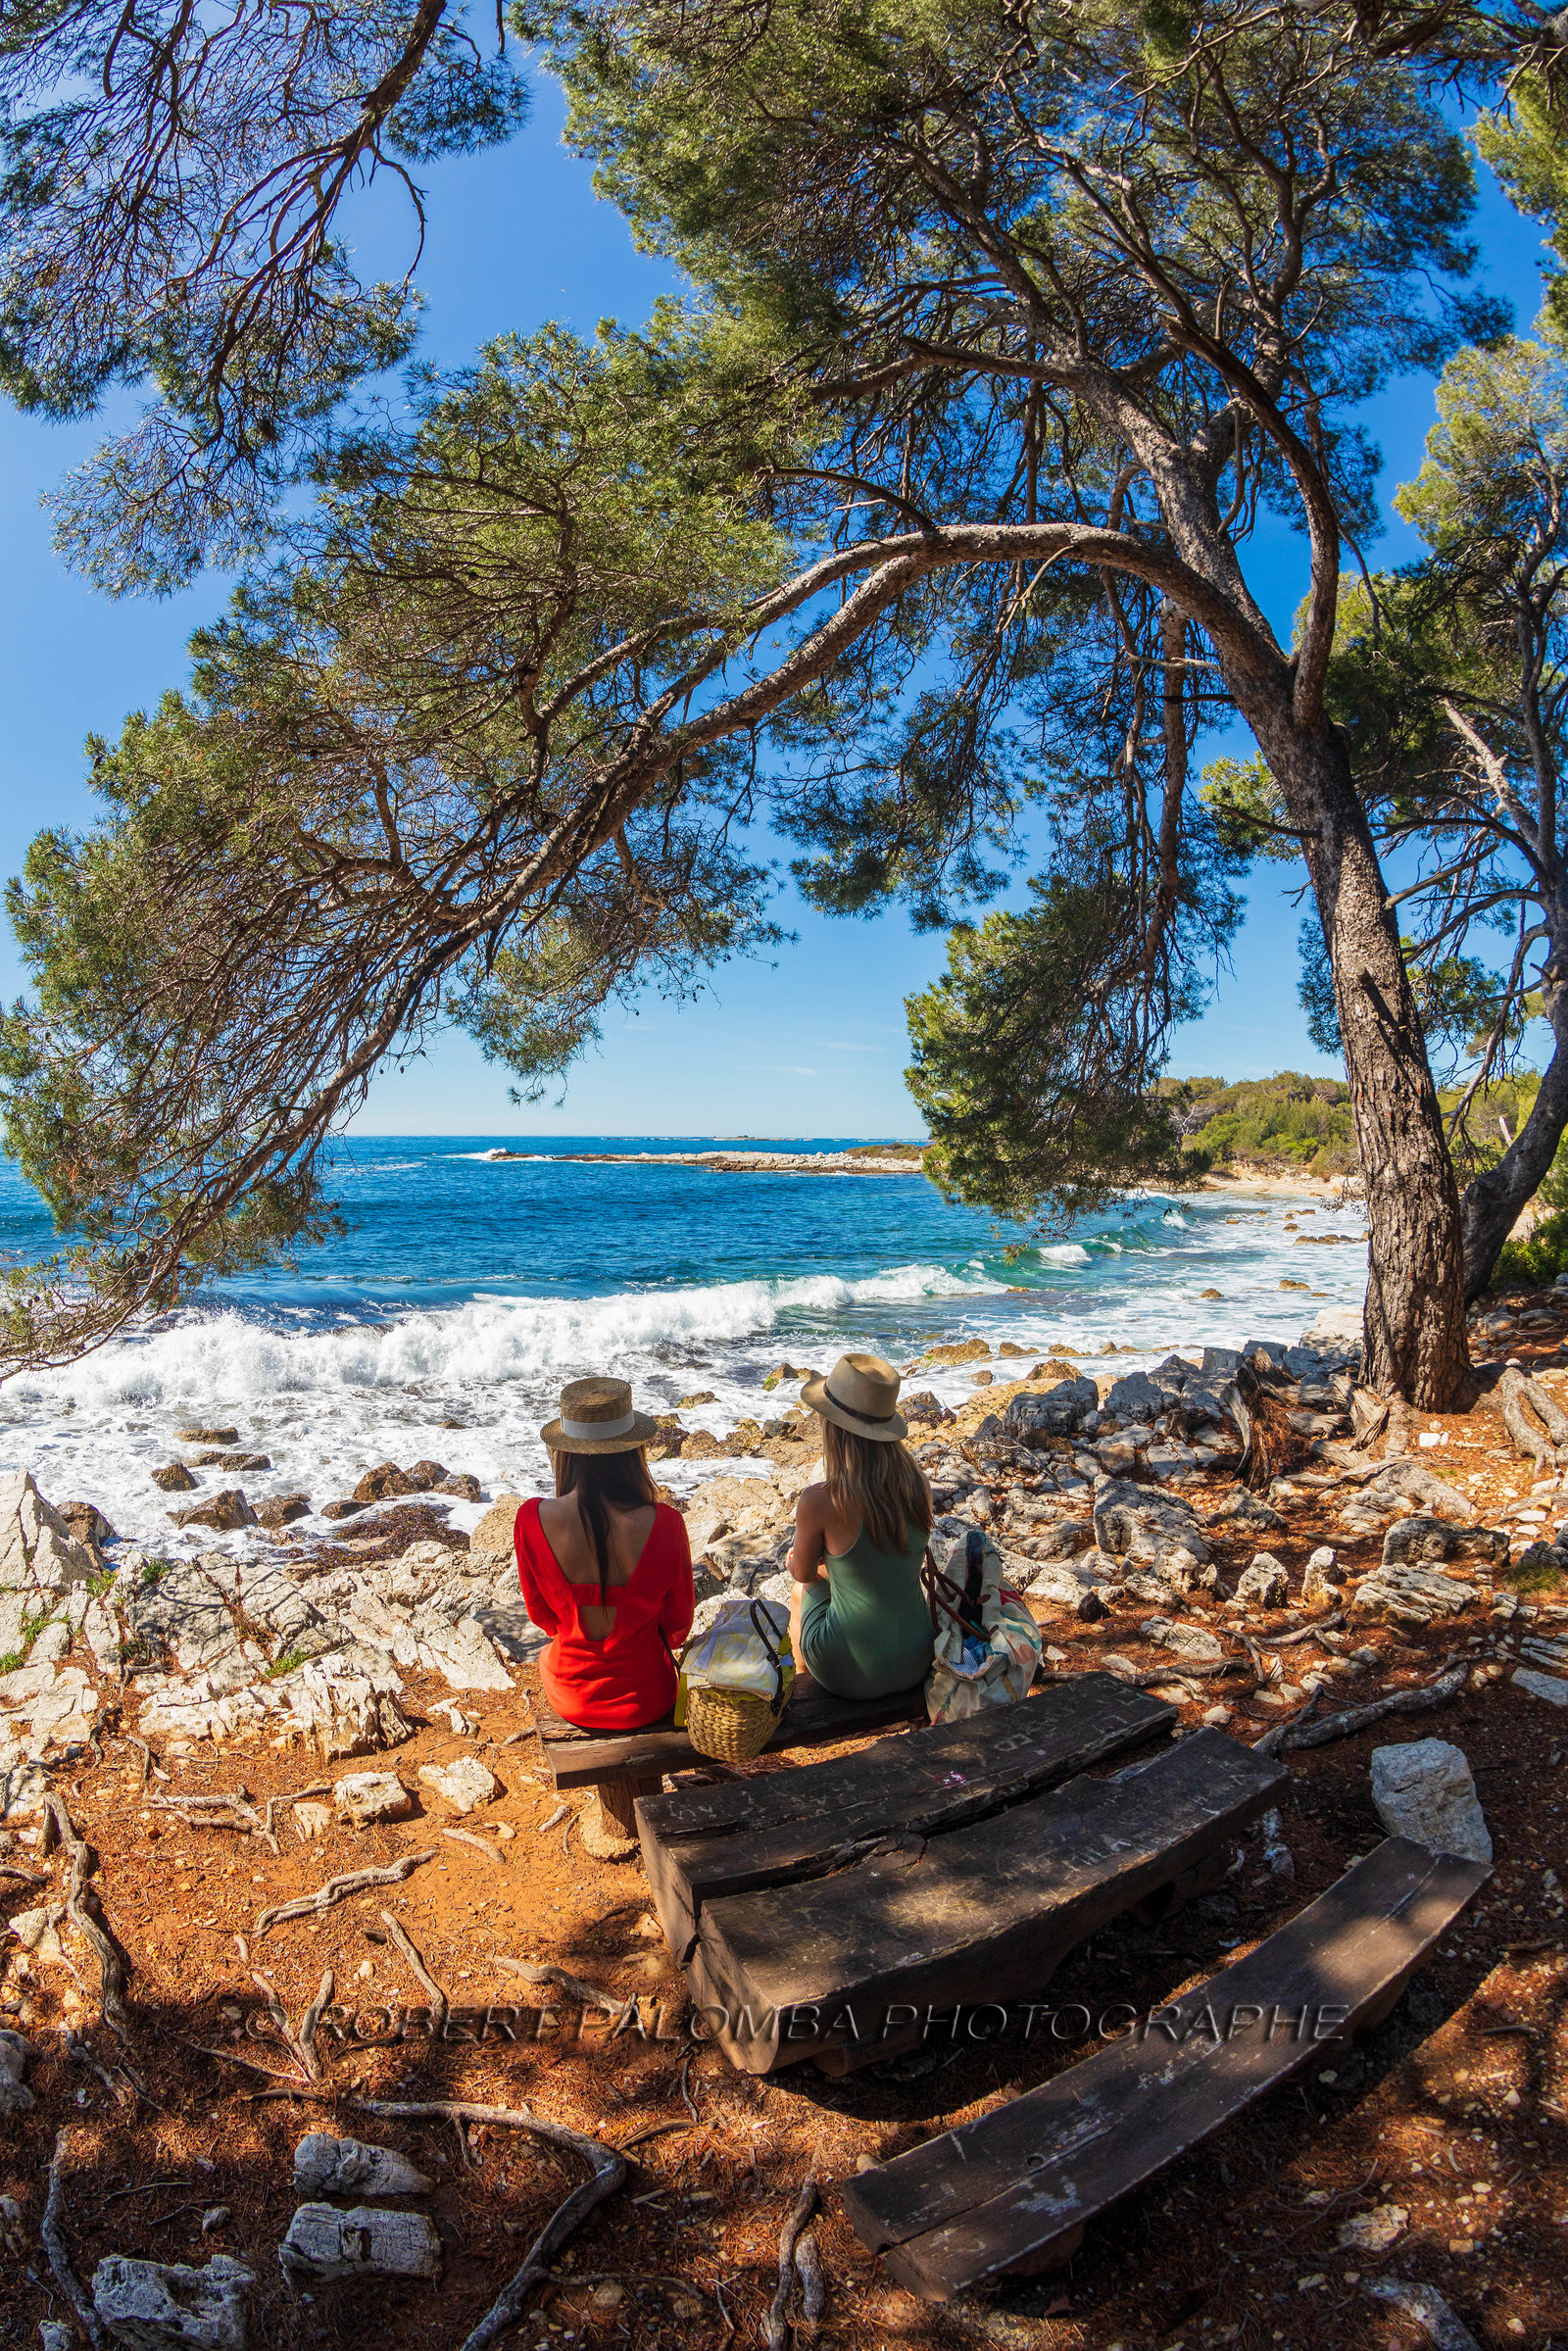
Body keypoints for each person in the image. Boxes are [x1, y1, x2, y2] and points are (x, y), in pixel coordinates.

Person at [514, 1376, 695, 1730]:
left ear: (564, 1452)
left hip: (572, 1694)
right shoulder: (667, 1524)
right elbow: (677, 1628)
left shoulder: (531, 1519)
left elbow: (542, 1618)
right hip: (648, 1697)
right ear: (633, 1451)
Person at [787, 1350, 936, 1701]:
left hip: (850, 1671)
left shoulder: (820, 1500)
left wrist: (795, 1559)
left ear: (834, 1429)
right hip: (917, 1656)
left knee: (799, 1594)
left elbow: (804, 1574)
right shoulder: (919, 1485)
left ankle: (802, 1687)